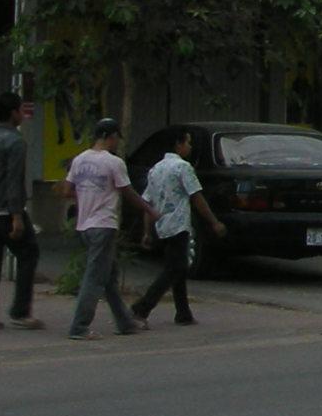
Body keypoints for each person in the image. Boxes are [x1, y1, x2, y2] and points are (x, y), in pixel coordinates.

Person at [62, 118, 149, 339]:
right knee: (95, 278)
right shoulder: (114, 162)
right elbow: (127, 191)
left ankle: (124, 322)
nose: (116, 142)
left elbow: (66, 190)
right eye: (116, 137)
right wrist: (149, 209)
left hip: (84, 225)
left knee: (108, 276)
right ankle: (79, 327)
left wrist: (85, 197)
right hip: (104, 224)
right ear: (110, 137)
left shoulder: (79, 160)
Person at [131, 133, 226, 326]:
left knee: (177, 268)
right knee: (175, 269)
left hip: (162, 224)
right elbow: (196, 197)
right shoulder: (183, 167)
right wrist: (213, 221)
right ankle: (142, 307)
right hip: (178, 224)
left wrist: (147, 231)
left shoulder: (156, 169)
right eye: (188, 142)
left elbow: (148, 202)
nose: (190, 147)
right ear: (178, 144)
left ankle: (183, 313)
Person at [0, 91, 44, 331]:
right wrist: (17, 215)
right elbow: (14, 180)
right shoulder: (15, 141)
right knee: (28, 253)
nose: (23, 114)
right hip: (6, 209)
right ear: (14, 113)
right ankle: (20, 311)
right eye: (21, 110)